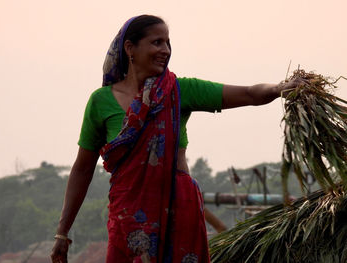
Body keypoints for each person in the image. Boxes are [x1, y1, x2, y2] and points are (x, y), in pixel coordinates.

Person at [50, 15, 306, 263]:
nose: (165, 50)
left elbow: (249, 93)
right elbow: (82, 169)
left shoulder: (178, 90)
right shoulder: (101, 101)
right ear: (130, 48)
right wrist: (63, 232)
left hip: (178, 213)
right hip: (128, 217)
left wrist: (278, 89)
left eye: (167, 42)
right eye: (156, 42)